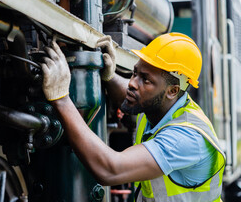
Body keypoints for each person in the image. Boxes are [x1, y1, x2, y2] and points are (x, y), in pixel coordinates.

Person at [41, 32, 226, 202]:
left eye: (145, 80)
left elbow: (109, 169)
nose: (132, 83)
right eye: (135, 73)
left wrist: (61, 99)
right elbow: (129, 94)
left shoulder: (185, 138)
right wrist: (109, 77)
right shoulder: (159, 107)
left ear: (172, 91)